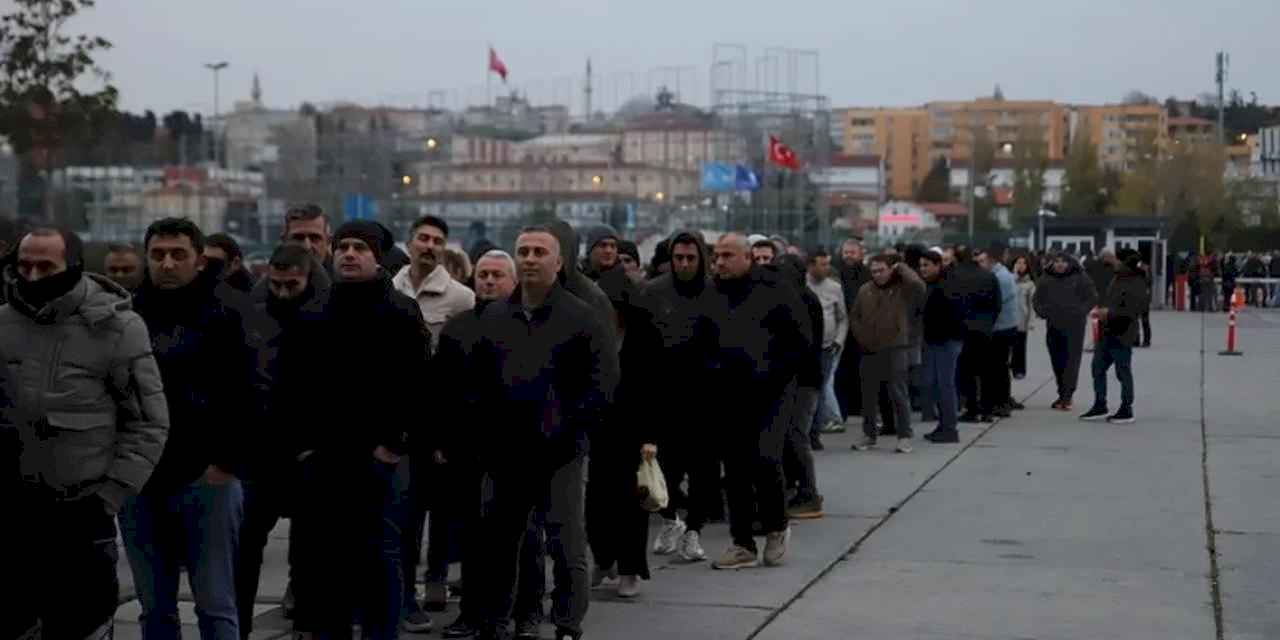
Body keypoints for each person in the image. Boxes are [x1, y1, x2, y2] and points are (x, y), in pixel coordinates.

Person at [0, 227, 169, 640]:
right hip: (12, 515)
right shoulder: (3, 323)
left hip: (81, 513)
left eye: (46, 266)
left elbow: (148, 422)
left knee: (82, 624)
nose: (34, 276)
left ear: (73, 268)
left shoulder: (116, 328)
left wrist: (110, 496)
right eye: (24, 266)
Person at [472, 226, 617, 640]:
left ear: (558, 263)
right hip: (505, 455)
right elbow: (478, 384)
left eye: (540, 252)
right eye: (524, 251)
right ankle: (495, 620)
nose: (530, 258)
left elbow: (602, 383)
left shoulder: (582, 316)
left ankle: (568, 623)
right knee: (500, 545)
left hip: (561, 453)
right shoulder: (496, 316)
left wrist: (571, 432)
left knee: (565, 543)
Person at [289, 220, 430, 639]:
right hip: (325, 458)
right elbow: (295, 384)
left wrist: (392, 446)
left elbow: (418, 387)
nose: (349, 254)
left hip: (379, 461)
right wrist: (304, 447)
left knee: (379, 562)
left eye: (360, 248)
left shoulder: (401, 313)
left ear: (378, 257)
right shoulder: (315, 310)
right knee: (325, 564)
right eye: (344, 247)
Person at [126, 218, 258, 640]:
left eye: (177, 254)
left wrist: (226, 463)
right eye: (158, 255)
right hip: (141, 477)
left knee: (216, 604)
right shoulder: (126, 314)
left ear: (198, 260)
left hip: (207, 477)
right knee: (154, 607)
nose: (167, 263)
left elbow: (251, 391)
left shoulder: (229, 310)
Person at [235, 243, 330, 640]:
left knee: (308, 552)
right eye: (277, 283)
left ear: (307, 277)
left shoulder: (328, 313)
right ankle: (237, 625)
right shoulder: (251, 312)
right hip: (263, 447)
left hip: (310, 447)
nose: (284, 290)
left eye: (291, 283)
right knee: (246, 545)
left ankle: (307, 624)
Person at [707, 233, 810, 570]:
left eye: (727, 255)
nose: (719, 262)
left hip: (771, 392)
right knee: (735, 468)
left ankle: (777, 527)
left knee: (765, 460)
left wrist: (776, 375)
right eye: (716, 255)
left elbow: (798, 340)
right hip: (727, 392)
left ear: (747, 257)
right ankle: (742, 543)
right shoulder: (713, 293)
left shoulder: (774, 290)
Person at [434, 250, 519, 639]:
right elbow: (443, 389)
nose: (488, 281)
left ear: (513, 282)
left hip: (513, 447)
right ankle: (470, 613)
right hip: (466, 446)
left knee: (509, 539)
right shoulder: (458, 327)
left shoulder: (525, 325)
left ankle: (503, 615)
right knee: (470, 536)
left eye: (498, 275)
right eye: (483, 274)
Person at [642, 230, 720, 562]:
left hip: (706, 395)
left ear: (701, 258)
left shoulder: (716, 293)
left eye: (690, 258)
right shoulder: (654, 292)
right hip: (665, 395)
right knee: (666, 470)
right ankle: (671, 519)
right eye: (678, 258)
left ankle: (693, 531)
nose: (684, 264)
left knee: (704, 471)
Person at [586, 254, 661, 599]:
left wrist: (650, 436)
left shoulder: (643, 336)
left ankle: (630, 569)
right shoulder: (592, 336)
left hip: (633, 434)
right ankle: (604, 559)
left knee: (632, 504)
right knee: (596, 503)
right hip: (598, 430)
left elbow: (654, 389)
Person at [850, 255, 926, 453]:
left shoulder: (903, 288)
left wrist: (901, 267)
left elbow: (919, 286)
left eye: (881, 270)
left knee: (898, 393)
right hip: (869, 349)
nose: (877, 274)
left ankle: (904, 436)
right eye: (874, 271)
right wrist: (862, 337)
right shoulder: (865, 290)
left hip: (895, 348)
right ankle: (869, 435)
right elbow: (855, 317)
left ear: (890, 269)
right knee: (868, 396)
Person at [774, 253, 826, 518]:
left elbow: (802, 345)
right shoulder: (796, 297)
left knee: (796, 434)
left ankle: (809, 493)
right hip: (797, 378)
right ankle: (800, 488)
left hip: (803, 379)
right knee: (790, 435)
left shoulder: (803, 300)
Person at [1080, 250, 1149, 424]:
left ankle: (1127, 408)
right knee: (1097, 368)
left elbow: (1132, 310)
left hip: (1122, 333)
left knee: (1122, 371)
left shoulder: (1135, 281)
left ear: (1122, 261)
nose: (1111, 261)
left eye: (1115, 259)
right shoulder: (1117, 277)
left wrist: (1108, 313)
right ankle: (1100, 404)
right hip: (1107, 332)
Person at [1033, 252, 1098, 411]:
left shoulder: (1080, 277)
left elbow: (1092, 297)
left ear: (1069, 263)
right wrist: (1043, 312)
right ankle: (1062, 392)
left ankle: (1067, 396)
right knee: (1057, 360)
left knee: (1071, 361)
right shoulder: (1046, 278)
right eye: (1057, 261)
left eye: (1063, 261)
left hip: (1074, 326)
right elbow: (1037, 299)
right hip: (1054, 325)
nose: (1060, 264)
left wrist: (1080, 311)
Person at [949, 247, 1002, 423]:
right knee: (987, 371)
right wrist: (989, 323)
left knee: (966, 372)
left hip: (963, 329)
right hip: (985, 329)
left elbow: (952, 303)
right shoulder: (988, 276)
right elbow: (997, 304)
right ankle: (987, 409)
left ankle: (972, 409)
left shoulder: (955, 276)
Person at [918, 250, 966, 444]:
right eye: (921, 265)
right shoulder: (935, 283)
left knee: (945, 386)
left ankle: (949, 429)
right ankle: (944, 426)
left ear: (938, 265)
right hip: (938, 341)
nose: (923, 269)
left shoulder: (946, 285)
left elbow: (952, 314)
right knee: (938, 385)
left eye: (927, 265)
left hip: (946, 341)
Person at [806, 248, 847, 437]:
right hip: (807, 347)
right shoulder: (803, 285)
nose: (827, 268)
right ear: (811, 265)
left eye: (828, 264)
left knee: (822, 386)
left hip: (828, 347)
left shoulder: (834, 287)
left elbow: (842, 318)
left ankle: (822, 424)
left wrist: (838, 341)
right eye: (823, 264)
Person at [978, 248, 1019, 417]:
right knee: (998, 367)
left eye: (982, 261)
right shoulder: (1001, 274)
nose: (980, 265)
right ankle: (1000, 401)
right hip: (1004, 326)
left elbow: (995, 303)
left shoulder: (1000, 277)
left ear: (991, 260)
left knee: (999, 367)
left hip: (1001, 328)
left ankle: (1001, 403)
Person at [834, 238, 869, 426]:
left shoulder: (866, 275)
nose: (848, 256)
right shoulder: (835, 273)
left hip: (861, 330)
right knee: (841, 372)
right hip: (841, 330)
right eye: (846, 252)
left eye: (852, 252)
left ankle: (859, 406)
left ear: (860, 254)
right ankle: (842, 409)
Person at [1011, 255, 1036, 380]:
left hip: (1022, 320)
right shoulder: (1010, 280)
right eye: (1018, 263)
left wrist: (1031, 321)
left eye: (1023, 263)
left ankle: (1019, 370)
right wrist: (1014, 275)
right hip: (1009, 320)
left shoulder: (1030, 284)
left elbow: (1032, 305)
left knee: (1020, 347)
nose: (1020, 265)